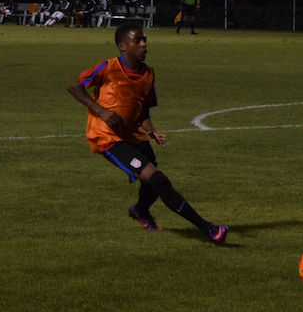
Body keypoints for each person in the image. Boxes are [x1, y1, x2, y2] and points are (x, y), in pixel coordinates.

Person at [67, 23, 228, 244]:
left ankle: (140, 211)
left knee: (152, 184)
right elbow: (74, 86)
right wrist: (101, 111)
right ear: (122, 46)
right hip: (108, 138)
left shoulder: (148, 73)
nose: (144, 45)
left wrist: (151, 131)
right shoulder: (107, 67)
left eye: (145, 41)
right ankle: (208, 228)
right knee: (158, 179)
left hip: (135, 135)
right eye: (138, 41)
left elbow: (143, 111)